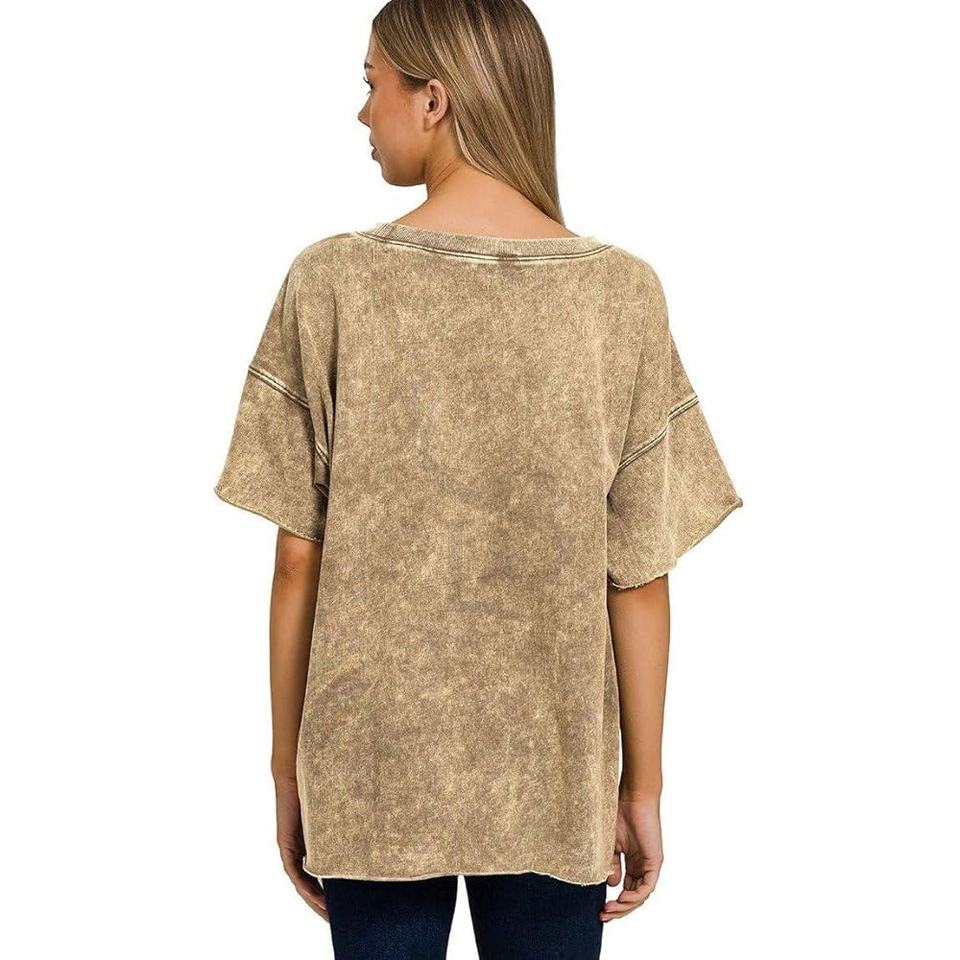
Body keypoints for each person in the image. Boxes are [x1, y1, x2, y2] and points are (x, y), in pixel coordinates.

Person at [213, 1, 743, 957]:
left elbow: (298, 561)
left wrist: (288, 772)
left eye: (372, 84)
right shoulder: (619, 294)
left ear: (434, 100)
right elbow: (639, 574)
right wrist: (643, 786)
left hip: (372, 771)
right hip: (556, 771)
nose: (363, 110)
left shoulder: (332, 282)